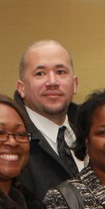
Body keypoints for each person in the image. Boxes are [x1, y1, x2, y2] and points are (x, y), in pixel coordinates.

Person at [15, 39, 82, 198]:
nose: (52, 82)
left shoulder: (92, 130)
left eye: (60, 72)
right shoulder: (12, 140)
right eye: (40, 73)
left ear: (74, 84)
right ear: (21, 88)